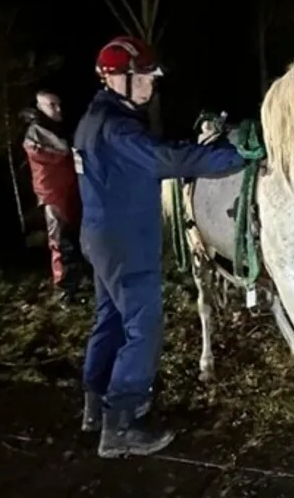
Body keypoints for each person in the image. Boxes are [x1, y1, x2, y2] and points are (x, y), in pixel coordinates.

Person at [73, 35, 246, 459]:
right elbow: (169, 160)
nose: (151, 83)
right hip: (126, 242)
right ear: (119, 78)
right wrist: (235, 155)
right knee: (143, 326)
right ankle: (121, 424)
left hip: (101, 236)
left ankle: (96, 407)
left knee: (110, 319)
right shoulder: (118, 129)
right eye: (145, 76)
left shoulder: (94, 119)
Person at [19, 90, 85, 302]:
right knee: (61, 240)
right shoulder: (37, 132)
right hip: (53, 194)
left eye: (59, 104)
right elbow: (61, 152)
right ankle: (65, 289)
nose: (58, 109)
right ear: (39, 108)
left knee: (71, 238)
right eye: (52, 105)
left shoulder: (52, 128)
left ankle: (75, 283)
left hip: (66, 191)